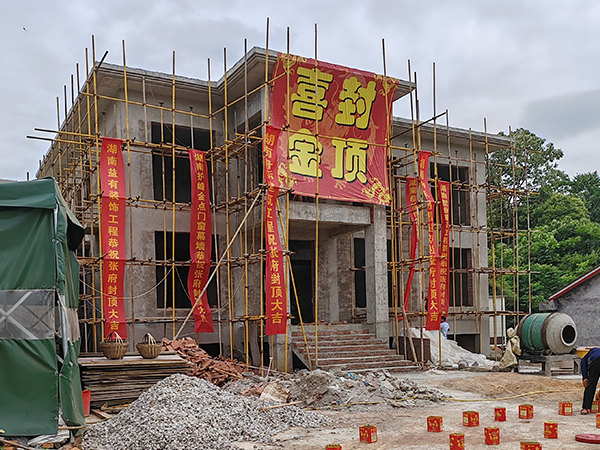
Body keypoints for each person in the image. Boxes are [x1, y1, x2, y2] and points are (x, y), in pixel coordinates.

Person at [581, 347, 600, 414]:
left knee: (591, 383)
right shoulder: (595, 351)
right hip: (597, 360)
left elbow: (583, 362)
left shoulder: (591, 352)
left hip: (596, 361)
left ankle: (585, 408)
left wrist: (585, 377)